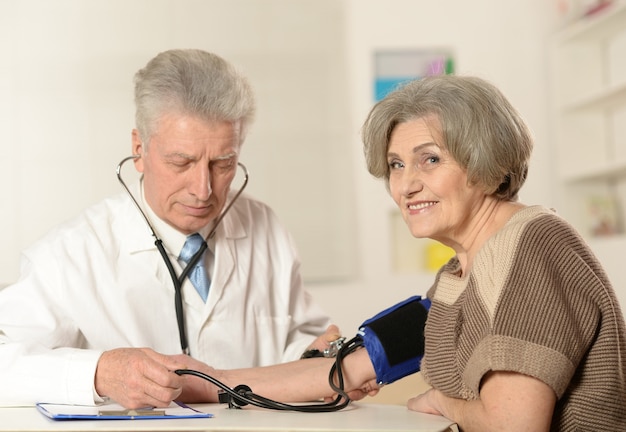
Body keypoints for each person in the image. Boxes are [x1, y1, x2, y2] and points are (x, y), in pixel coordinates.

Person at [172, 74, 626, 431]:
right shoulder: (458, 275)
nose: (406, 184)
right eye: (395, 164)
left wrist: (442, 402)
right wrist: (204, 382)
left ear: (485, 160)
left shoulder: (533, 250)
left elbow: (513, 424)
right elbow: (345, 370)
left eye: (430, 159)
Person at [0, 49, 337, 408]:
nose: (203, 189)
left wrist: (313, 355)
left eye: (223, 163)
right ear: (139, 149)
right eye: (182, 162)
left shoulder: (265, 227)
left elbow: (299, 336)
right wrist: (98, 372)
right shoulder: (71, 253)